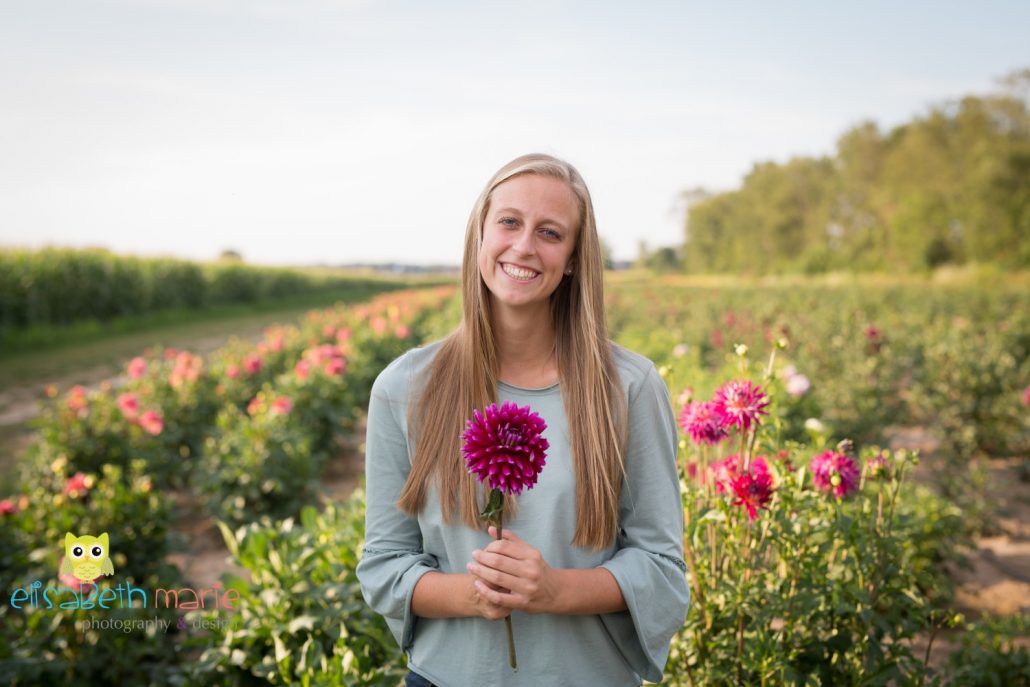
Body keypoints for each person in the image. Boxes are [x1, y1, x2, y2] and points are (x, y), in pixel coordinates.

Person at [356, 153, 689, 687]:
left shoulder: (631, 387)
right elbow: (384, 565)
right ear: (480, 235)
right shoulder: (404, 387)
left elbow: (663, 570)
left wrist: (553, 590)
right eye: (509, 222)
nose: (524, 246)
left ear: (576, 258)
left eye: (551, 232)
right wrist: (473, 593)